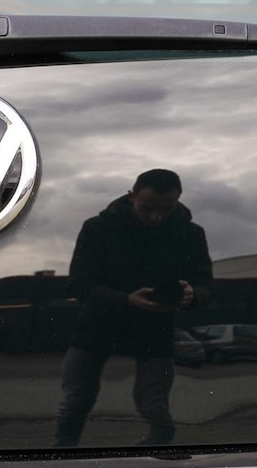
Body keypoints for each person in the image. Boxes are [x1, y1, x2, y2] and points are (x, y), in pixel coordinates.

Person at [54, 169, 213, 446]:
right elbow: (78, 285)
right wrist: (126, 299)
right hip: (97, 325)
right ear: (131, 196)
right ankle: (62, 454)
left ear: (178, 201)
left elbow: (206, 286)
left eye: (166, 209)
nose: (156, 216)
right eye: (147, 208)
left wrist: (192, 296)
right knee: (76, 399)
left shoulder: (190, 233)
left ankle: (154, 457)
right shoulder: (98, 228)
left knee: (154, 405)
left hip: (155, 328)